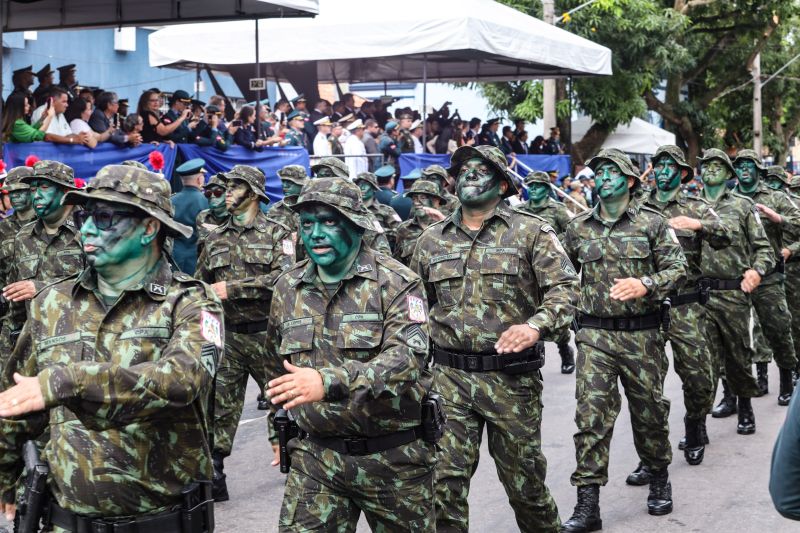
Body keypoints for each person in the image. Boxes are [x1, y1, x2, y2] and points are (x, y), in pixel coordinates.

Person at [0, 163, 221, 532]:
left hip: (162, 521)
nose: (85, 228)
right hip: (64, 520)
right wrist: (4, 473)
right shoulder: (52, 303)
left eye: (103, 217)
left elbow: (184, 378)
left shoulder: (191, 303)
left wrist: (68, 381)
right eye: (85, 214)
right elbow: (17, 400)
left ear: (149, 227)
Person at [411, 145, 579, 532]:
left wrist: (536, 325)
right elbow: (414, 308)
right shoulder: (431, 241)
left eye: (481, 169)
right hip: (448, 380)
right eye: (464, 169)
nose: (469, 174)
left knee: (525, 486)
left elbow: (567, 290)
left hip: (510, 380)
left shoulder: (531, 232)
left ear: (503, 184)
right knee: (443, 486)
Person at [264, 177, 437, 531]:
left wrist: (328, 381)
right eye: (307, 224)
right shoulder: (287, 287)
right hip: (315, 459)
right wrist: (275, 430)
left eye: (329, 221)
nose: (315, 235)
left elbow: (407, 359)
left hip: (392, 460)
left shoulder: (398, 282)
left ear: (356, 224)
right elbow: (275, 365)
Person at [561, 148, 687, 531]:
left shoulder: (651, 223)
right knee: (590, 419)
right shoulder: (578, 227)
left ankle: (659, 477)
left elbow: (677, 267)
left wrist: (645, 283)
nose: (603, 177)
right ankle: (588, 504)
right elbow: (562, 279)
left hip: (643, 335)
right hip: (595, 336)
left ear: (630, 181)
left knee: (649, 412)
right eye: (598, 172)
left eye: (612, 171)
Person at [195, 164, 293, 502]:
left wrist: (234, 289)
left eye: (234, 186)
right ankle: (215, 471)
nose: (227, 192)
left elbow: (286, 278)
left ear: (252, 192)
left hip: (268, 333)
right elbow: (201, 285)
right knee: (220, 406)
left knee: (282, 400)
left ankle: (291, 459)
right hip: (230, 336)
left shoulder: (277, 234)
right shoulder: (214, 238)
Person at [633, 145, 731, 476]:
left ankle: (694, 423)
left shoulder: (696, 206)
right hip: (647, 306)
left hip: (687, 306)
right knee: (646, 387)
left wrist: (699, 224)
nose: (661, 169)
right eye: (657, 164)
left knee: (700, 377)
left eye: (668, 165)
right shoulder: (638, 208)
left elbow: (726, 236)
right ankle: (650, 456)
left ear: (682, 173)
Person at [698, 149, 774, 434]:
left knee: (738, 355)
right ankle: (700, 422)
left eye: (719, 165)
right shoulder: (690, 206)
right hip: (699, 294)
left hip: (733, 292)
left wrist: (757, 271)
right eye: (707, 165)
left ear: (729, 174)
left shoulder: (742, 206)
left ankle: (745, 406)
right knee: (703, 360)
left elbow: (764, 248)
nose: (711, 169)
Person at [732, 151, 800, 403]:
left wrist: (778, 218)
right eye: (740, 165)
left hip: (768, 275)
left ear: (759, 171)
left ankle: (786, 379)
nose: (745, 169)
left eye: (750, 165)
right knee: (735, 337)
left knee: (777, 329)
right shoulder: (728, 198)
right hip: (734, 278)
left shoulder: (776, 197)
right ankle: (756, 380)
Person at [0, 161, 85, 356]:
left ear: (65, 191)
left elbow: (104, 288)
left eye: (44, 187)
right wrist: (5, 356)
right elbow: (15, 308)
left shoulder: (90, 230)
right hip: (34, 346)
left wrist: (43, 289)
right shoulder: (24, 236)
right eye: (33, 188)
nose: (36, 194)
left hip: (80, 347)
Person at [516, 170, 577, 374]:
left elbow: (571, 233)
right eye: (530, 186)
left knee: (553, 312)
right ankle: (530, 358)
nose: (532, 189)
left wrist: (551, 243)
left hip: (549, 268)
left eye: (537, 186)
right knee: (526, 312)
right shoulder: (521, 210)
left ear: (546, 189)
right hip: (525, 270)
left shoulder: (557, 209)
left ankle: (564, 350)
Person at [312, 158, 392, 255]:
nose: (321, 181)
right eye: (319, 176)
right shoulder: (307, 214)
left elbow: (383, 254)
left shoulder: (361, 214)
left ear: (342, 180)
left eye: (328, 176)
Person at [0, 167, 36, 345]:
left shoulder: (46, 224)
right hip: (9, 314)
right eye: (11, 192)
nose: (15, 196)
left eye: (21, 191)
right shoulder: (3, 228)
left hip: (40, 308)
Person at [393, 180, 446, 265]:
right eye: (414, 198)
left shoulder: (447, 227)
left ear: (436, 201)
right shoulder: (404, 229)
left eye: (423, 198)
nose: (416, 202)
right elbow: (397, 263)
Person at [170, 158, 210, 274]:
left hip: (173, 256)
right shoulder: (205, 202)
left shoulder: (171, 200)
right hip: (195, 259)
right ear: (199, 179)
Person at [1, 92, 73, 145]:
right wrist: (50, 117)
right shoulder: (17, 123)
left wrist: (43, 118)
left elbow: (31, 130)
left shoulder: (18, 122)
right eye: (26, 105)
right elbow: (37, 136)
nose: (29, 106)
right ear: (18, 108)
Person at [354, 172, 402, 246]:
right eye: (359, 184)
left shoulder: (386, 210)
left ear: (374, 188)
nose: (362, 187)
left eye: (366, 184)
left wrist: (377, 231)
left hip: (380, 252)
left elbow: (400, 231)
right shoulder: (351, 209)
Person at [267, 165, 307, 236]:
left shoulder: (311, 207)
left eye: (290, 182)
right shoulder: (275, 209)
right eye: (283, 181)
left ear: (302, 184)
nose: (285, 185)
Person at [196, 173, 229, 246]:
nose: (212, 196)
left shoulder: (236, 217)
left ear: (228, 193)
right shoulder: (202, 216)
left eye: (218, 192)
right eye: (208, 193)